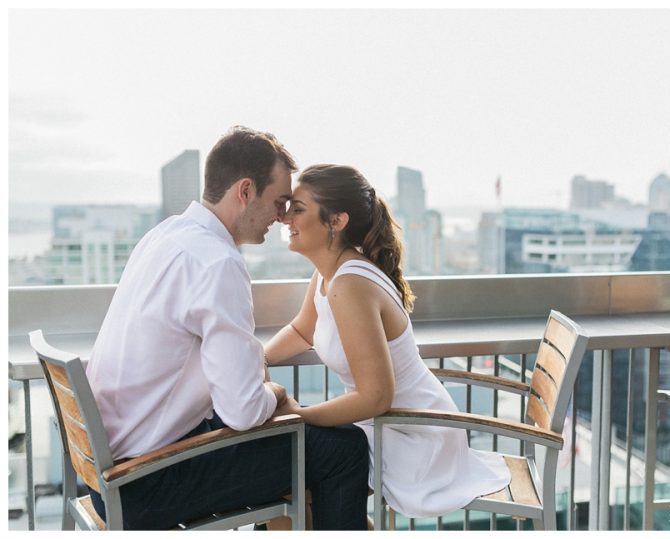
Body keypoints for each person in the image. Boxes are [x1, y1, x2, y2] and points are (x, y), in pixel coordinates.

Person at [85, 127, 370, 530]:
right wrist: (277, 392)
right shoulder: (218, 263)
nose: (282, 215)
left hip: (111, 473)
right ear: (245, 191)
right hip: (145, 483)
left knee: (285, 445)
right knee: (345, 450)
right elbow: (243, 410)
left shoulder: (164, 236)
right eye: (279, 201)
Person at [264, 164, 511, 518]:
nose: (285, 218)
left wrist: (301, 415)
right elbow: (303, 330)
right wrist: (259, 359)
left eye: (298, 209)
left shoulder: (350, 285)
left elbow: (375, 396)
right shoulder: (328, 273)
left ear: (336, 221)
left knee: (284, 477)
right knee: (291, 485)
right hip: (383, 422)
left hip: (412, 435)